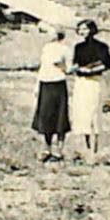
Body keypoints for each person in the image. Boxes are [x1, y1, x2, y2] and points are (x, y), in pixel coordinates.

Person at [69, 19, 110, 160]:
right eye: (80, 29)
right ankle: (88, 149)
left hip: (95, 82)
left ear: (92, 30)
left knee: (95, 113)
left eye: (85, 29)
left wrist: (93, 70)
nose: (83, 32)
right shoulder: (78, 47)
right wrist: (76, 69)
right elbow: (76, 63)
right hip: (82, 82)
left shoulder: (102, 47)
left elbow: (108, 64)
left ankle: (95, 149)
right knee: (83, 115)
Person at [32, 27, 71, 161]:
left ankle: (59, 150)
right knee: (45, 115)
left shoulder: (65, 49)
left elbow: (70, 68)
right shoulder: (46, 48)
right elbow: (42, 67)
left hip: (58, 83)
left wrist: (62, 67)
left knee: (60, 116)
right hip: (45, 83)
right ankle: (46, 148)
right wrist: (37, 86)